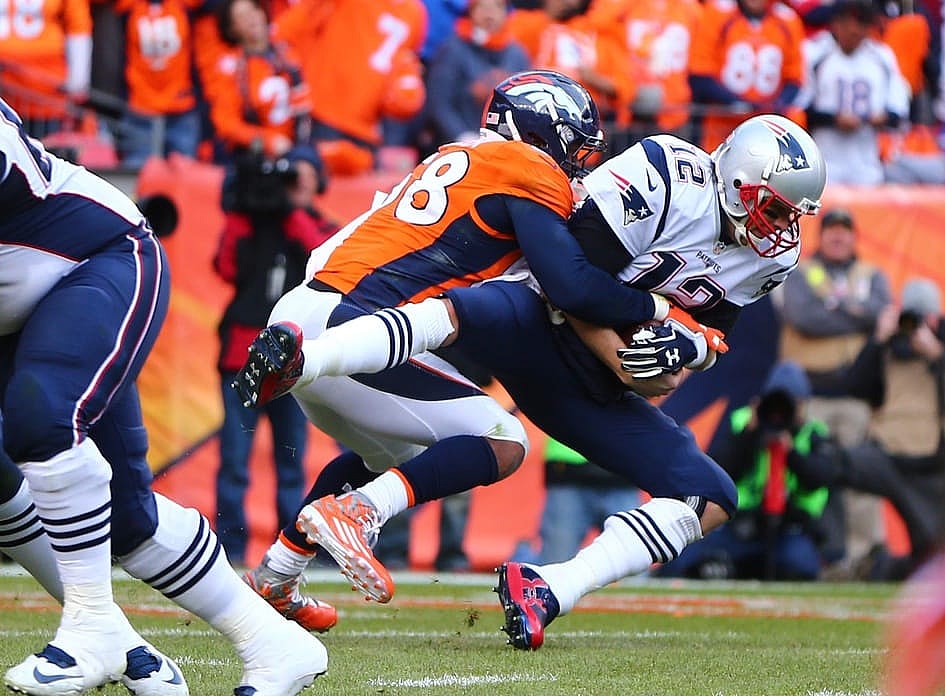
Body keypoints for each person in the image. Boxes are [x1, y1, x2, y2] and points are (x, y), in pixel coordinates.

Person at [236, 103, 826, 653]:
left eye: (791, 215)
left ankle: (550, 588)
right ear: (736, 179)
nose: (780, 227)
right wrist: (642, 333)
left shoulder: (773, 257)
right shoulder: (667, 171)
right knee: (471, 309)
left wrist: (668, 363)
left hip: (588, 376)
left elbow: (696, 350)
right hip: (535, 318)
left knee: (710, 494)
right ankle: (308, 365)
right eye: (772, 207)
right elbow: (566, 283)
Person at [0, 97, 327, 695]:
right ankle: (271, 642)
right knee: (126, 519)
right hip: (15, 306)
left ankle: (92, 625)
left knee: (41, 418)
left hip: (95, 261)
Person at [213, 147, 336, 576]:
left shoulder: (311, 224)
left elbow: (321, 257)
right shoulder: (244, 221)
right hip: (240, 358)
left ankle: (294, 549)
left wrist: (289, 211)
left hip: (291, 364)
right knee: (234, 459)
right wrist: (247, 208)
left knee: (290, 462)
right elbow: (227, 267)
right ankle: (228, 547)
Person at [776, 205, 892, 577]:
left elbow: (882, 314)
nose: (838, 237)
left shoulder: (872, 275)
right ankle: (818, 556)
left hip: (857, 399)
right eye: (831, 231)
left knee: (862, 481)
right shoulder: (800, 273)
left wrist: (834, 309)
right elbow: (805, 317)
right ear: (820, 236)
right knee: (810, 479)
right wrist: (854, 313)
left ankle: (863, 559)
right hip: (811, 397)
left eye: (845, 231)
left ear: (854, 237)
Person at [658, 360, 839, 581]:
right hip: (740, 527)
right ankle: (733, 567)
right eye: (775, 405)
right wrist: (748, 435)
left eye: (791, 404)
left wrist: (790, 451)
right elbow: (716, 470)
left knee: (801, 567)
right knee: (683, 561)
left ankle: (738, 569)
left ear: (804, 405)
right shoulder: (743, 423)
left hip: (790, 529)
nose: (779, 414)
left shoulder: (814, 433)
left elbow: (821, 477)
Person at [836, 277, 945, 579]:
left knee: (931, 558)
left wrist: (936, 353)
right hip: (886, 456)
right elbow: (854, 386)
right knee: (830, 464)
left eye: (923, 318)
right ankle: (857, 559)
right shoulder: (888, 347)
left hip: (933, 466)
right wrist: (877, 340)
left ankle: (891, 568)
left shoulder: (939, 345)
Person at [796, 0, 911, 185]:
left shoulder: (882, 56)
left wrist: (881, 118)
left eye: (861, 22)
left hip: (867, 164)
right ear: (835, 22)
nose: (854, 29)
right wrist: (834, 119)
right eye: (847, 21)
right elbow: (798, 109)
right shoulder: (814, 52)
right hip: (823, 162)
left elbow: (899, 111)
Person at [513, 435, 642, 565]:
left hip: (621, 473)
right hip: (569, 471)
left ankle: (520, 561)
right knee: (555, 563)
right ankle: (519, 563)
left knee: (635, 561)